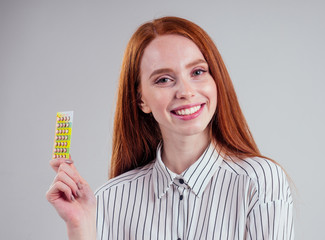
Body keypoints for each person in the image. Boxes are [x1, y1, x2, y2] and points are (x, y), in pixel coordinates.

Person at [47, 16, 294, 240]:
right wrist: (80, 228)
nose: (186, 92)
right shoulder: (108, 199)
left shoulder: (260, 181)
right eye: (164, 79)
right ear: (141, 99)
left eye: (197, 72)